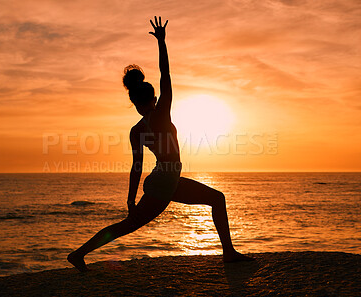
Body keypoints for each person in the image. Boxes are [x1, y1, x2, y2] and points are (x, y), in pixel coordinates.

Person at [68, 16, 253, 272]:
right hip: (164, 180)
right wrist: (162, 43)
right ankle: (79, 254)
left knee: (216, 199)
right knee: (126, 227)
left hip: (164, 179)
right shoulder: (161, 114)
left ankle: (229, 252)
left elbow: (136, 167)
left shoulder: (137, 129)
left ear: (134, 103)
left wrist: (131, 199)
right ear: (154, 98)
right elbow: (166, 74)